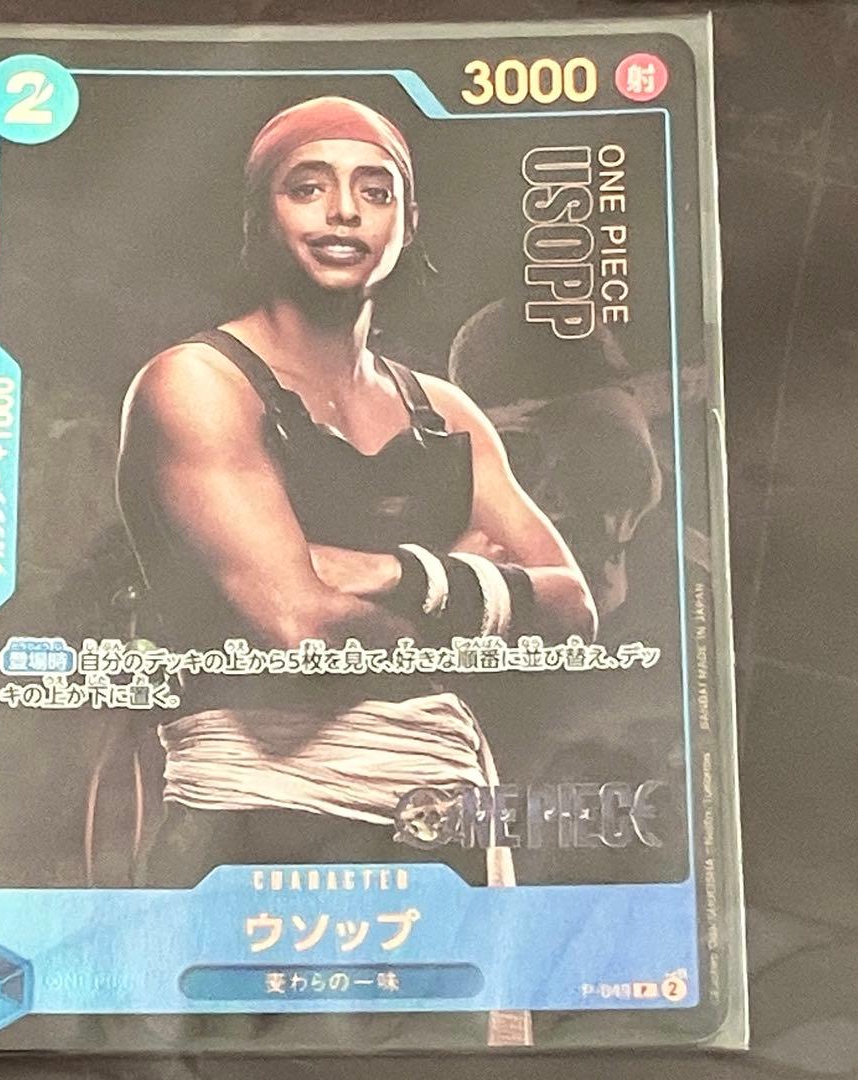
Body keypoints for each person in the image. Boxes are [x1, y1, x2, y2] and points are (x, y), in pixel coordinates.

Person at [114, 99, 595, 1044]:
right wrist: (472, 589)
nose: (343, 211)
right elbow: (302, 630)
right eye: (309, 187)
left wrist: (385, 573)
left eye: (375, 191)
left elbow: (575, 609)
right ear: (261, 213)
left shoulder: (445, 413)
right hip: (255, 825)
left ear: (407, 223)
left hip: (441, 821)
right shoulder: (196, 382)